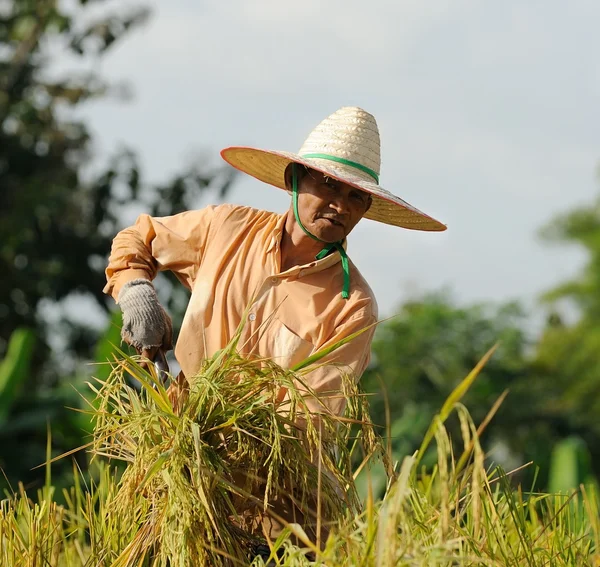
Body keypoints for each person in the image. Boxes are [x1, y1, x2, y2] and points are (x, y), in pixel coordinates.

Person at [103, 105, 446, 554]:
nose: (339, 205)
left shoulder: (352, 306)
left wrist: (216, 447)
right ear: (294, 179)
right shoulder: (227, 230)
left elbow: (305, 425)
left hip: (274, 517)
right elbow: (140, 237)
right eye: (328, 184)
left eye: (355, 197)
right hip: (175, 479)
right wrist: (136, 293)